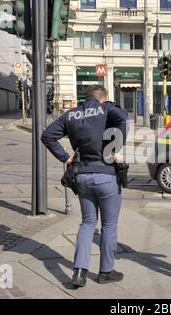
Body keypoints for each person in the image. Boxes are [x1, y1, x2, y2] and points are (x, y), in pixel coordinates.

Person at [41, 85, 128, 289]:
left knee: (87, 222)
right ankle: (106, 271)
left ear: (85, 98)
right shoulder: (106, 109)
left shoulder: (70, 114)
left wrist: (65, 157)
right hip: (106, 176)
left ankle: (79, 271)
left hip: (81, 176)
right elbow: (123, 117)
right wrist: (115, 147)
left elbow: (47, 136)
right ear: (103, 98)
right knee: (108, 225)